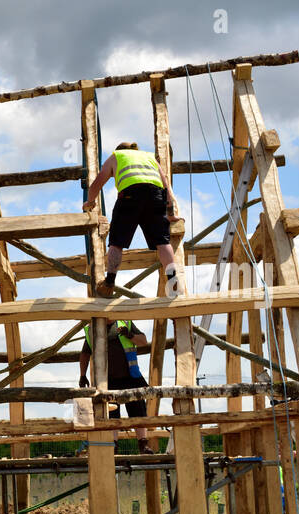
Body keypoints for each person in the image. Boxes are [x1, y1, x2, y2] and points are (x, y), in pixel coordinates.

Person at [83, 142, 181, 298]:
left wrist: (90, 201)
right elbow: (166, 186)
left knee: (117, 242)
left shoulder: (116, 156)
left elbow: (97, 183)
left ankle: (109, 283)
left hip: (130, 196)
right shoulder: (149, 157)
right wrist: (170, 213)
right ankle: (173, 279)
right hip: (155, 196)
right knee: (163, 242)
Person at [79, 319, 154, 454]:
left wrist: (129, 335)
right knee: (111, 413)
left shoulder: (124, 323)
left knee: (138, 410)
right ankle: (113, 446)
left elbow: (143, 341)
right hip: (107, 380)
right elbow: (85, 353)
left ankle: (143, 444)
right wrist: (82, 375)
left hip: (131, 376)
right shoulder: (92, 329)